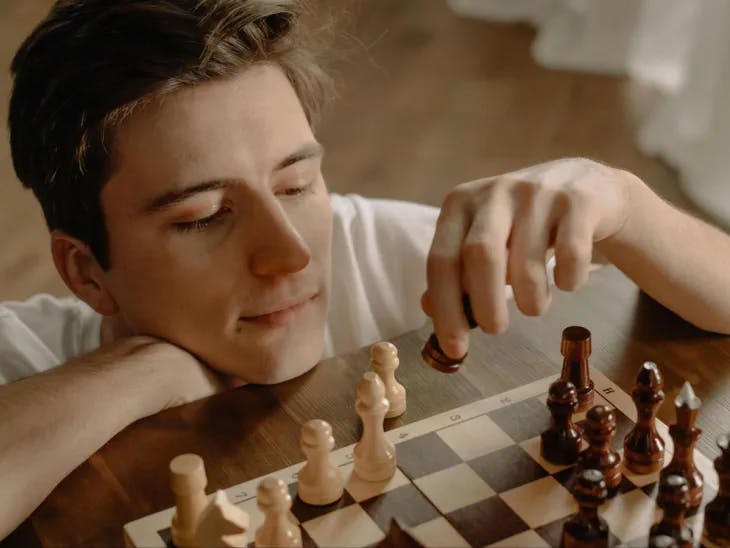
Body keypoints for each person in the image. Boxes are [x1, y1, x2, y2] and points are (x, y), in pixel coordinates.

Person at [1, 0, 729, 540]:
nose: (290, 251)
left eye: (295, 185)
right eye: (203, 217)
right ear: (86, 271)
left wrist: (628, 206)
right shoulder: (29, 360)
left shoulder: (385, 254)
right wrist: (140, 373)